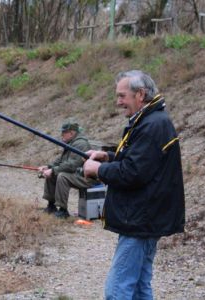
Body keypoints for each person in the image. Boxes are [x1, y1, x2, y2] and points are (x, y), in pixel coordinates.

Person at [83, 70, 185, 299]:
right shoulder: (151, 120)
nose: (118, 102)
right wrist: (107, 157)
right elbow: (138, 160)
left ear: (140, 94)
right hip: (147, 218)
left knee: (117, 289)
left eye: (122, 96)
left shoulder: (152, 125)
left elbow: (133, 172)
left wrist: (97, 169)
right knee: (139, 285)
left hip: (141, 219)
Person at [39, 119, 98, 218]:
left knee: (62, 176)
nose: (61, 135)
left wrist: (53, 170)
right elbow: (61, 160)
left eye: (64, 132)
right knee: (53, 174)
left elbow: (73, 165)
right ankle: (51, 206)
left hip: (87, 178)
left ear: (71, 133)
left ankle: (63, 211)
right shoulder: (72, 142)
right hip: (78, 175)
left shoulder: (80, 144)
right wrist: (49, 167)